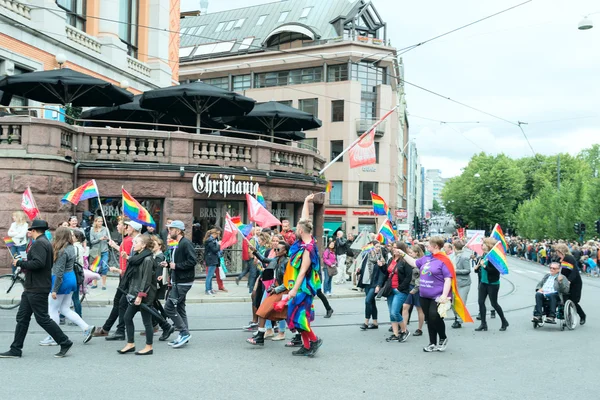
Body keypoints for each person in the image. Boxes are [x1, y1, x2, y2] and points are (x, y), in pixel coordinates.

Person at [0, 220, 73, 358]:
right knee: (22, 317)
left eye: (30, 230)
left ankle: (64, 341)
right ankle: (16, 349)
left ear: (34, 231)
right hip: (33, 286)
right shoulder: (44, 242)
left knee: (42, 319)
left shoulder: (39, 243)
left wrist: (20, 262)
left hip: (37, 287)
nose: (29, 233)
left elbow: (38, 263)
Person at [40, 227, 95, 346]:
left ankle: (53, 336)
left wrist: (54, 289)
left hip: (61, 280)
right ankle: (86, 328)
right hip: (71, 279)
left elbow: (59, 273)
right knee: (65, 309)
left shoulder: (61, 251)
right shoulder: (71, 248)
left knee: (53, 310)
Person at [397, 237, 452, 352]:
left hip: (437, 296)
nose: (427, 246)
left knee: (434, 316)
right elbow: (413, 262)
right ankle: (432, 343)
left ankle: (442, 337)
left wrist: (444, 295)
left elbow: (448, 279)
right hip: (424, 294)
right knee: (429, 319)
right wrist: (403, 254)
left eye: (429, 245)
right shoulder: (426, 258)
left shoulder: (444, 260)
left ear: (436, 246)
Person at [284, 194, 323, 357]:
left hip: (303, 289)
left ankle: (313, 341)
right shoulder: (302, 241)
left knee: (299, 317)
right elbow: (305, 219)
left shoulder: (308, 248)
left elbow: (302, 272)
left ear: (300, 231)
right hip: (297, 287)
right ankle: (307, 346)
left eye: (297, 229)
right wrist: (306, 201)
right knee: (296, 317)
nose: (295, 230)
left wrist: (293, 291)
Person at [93, 219, 139, 340]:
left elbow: (131, 259)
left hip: (126, 276)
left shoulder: (129, 241)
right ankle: (108, 329)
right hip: (124, 275)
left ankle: (113, 330)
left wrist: (120, 271)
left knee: (121, 303)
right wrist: (116, 246)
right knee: (122, 303)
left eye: (120, 224)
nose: (117, 226)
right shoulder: (127, 240)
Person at [118, 235, 157, 356]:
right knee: (127, 317)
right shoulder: (138, 257)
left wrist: (140, 295)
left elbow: (146, 279)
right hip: (134, 293)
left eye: (136, 242)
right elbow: (134, 265)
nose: (133, 244)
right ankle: (130, 344)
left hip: (143, 295)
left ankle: (149, 346)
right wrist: (127, 257)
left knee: (147, 322)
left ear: (144, 245)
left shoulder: (148, 259)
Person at [246, 241, 290, 346]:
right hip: (276, 288)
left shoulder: (287, 262)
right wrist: (255, 251)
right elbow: (264, 260)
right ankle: (261, 335)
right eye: (275, 249)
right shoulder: (276, 260)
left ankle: (293, 335)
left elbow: (289, 282)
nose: (275, 251)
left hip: (283, 290)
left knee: (288, 314)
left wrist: (277, 289)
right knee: (264, 310)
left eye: (278, 249)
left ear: (285, 251)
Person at [162, 220, 197, 348]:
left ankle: (184, 332)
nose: (169, 231)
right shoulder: (179, 243)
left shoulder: (186, 243)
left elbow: (193, 261)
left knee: (169, 308)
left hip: (184, 282)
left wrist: (176, 266)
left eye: (171, 229)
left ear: (178, 231)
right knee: (180, 308)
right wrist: (169, 265)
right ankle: (184, 335)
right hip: (178, 280)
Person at [379, 242, 413, 342]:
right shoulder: (391, 259)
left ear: (401, 250)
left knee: (395, 312)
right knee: (391, 313)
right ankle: (395, 334)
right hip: (390, 289)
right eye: (393, 248)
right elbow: (387, 273)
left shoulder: (405, 261)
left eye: (396, 248)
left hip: (399, 290)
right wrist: (382, 266)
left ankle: (404, 330)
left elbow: (408, 277)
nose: (394, 249)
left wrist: (400, 288)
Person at [474, 238, 509, 332]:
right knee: (481, 302)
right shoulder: (484, 255)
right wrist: (477, 268)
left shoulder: (494, 257)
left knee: (494, 303)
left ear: (489, 245)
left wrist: (484, 266)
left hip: (492, 283)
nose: (482, 245)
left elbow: (495, 271)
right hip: (483, 282)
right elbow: (479, 270)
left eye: (484, 244)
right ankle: (483, 324)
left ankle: (504, 321)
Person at [357, 241, 386, 330]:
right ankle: (375, 323)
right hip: (366, 282)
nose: (377, 248)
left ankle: (366, 322)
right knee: (371, 302)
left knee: (367, 300)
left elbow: (383, 274)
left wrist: (379, 285)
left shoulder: (381, 259)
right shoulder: (366, 256)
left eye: (378, 247)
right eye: (376, 247)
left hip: (374, 283)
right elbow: (364, 268)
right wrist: (359, 270)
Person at [554, 243, 586, 324]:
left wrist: (569, 280)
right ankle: (567, 318)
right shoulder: (559, 259)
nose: (556, 253)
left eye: (557, 251)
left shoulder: (569, 258)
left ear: (561, 251)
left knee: (574, 301)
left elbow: (574, 271)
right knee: (564, 300)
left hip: (575, 282)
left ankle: (582, 316)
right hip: (564, 283)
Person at [402, 245, 424, 336]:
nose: (409, 254)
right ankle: (404, 329)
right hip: (409, 286)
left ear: (417, 253)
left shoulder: (420, 263)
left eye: (411, 253)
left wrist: (415, 289)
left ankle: (419, 329)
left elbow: (420, 277)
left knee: (419, 308)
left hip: (417, 288)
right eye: (409, 253)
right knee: (405, 306)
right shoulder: (408, 262)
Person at [451, 240, 472, 329]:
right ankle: (456, 316)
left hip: (463, 283)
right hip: (453, 282)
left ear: (454, 247)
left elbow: (468, 270)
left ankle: (459, 320)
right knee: (453, 303)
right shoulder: (452, 256)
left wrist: (456, 271)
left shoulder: (464, 258)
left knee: (461, 302)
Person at [89, 216, 110, 290]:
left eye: (101, 221)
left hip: (104, 250)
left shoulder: (105, 229)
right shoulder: (92, 229)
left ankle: (104, 284)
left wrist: (107, 239)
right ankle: (95, 283)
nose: (100, 223)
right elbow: (91, 241)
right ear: (95, 222)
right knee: (95, 267)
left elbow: (109, 240)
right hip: (96, 252)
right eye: (99, 221)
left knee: (104, 267)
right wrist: (99, 239)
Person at [203, 228, 221, 295]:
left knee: (210, 275)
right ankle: (208, 289)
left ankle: (210, 288)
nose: (217, 236)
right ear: (214, 234)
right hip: (211, 259)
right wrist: (219, 245)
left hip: (211, 259)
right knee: (209, 276)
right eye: (217, 234)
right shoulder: (210, 241)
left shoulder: (212, 240)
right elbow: (214, 250)